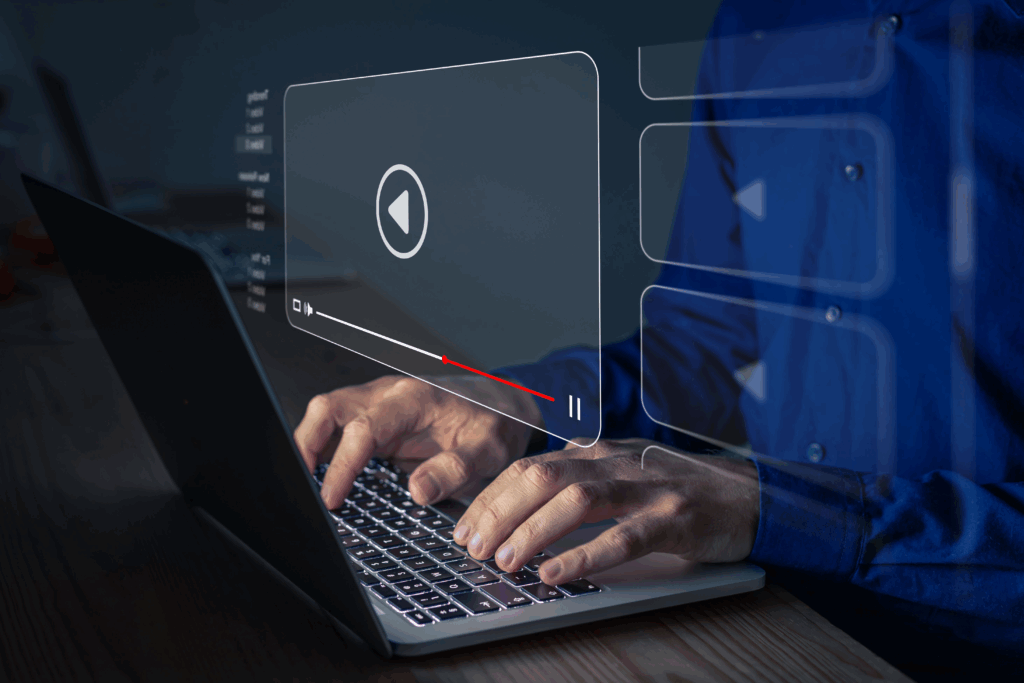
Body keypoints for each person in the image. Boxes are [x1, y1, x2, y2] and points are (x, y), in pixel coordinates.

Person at [296, 0, 1024, 677]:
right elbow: (708, 342)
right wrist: (522, 404)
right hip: (774, 616)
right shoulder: (757, 20)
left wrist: (784, 510)